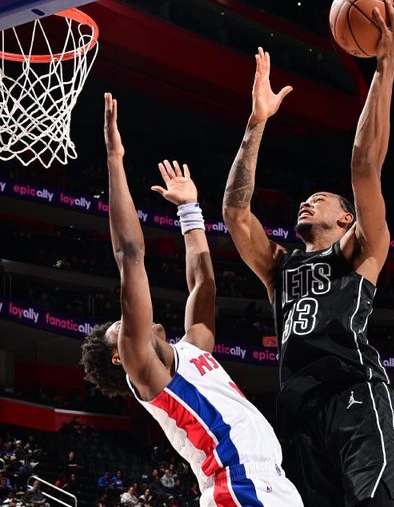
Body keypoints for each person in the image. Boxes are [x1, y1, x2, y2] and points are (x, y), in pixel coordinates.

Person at [223, 0, 394, 507]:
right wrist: (256, 122)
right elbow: (236, 215)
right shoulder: (280, 267)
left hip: (354, 393)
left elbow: (364, 166)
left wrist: (385, 65)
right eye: (307, 199)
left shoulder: (362, 249)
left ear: (346, 218)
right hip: (299, 412)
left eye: (321, 199)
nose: (307, 200)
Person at [81, 93, 302, 507]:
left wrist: (189, 210)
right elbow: (130, 255)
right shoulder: (145, 370)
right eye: (122, 328)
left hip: (270, 484)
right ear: (121, 356)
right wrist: (115, 160)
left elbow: (205, 285)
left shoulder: (192, 349)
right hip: (237, 485)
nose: (130, 322)